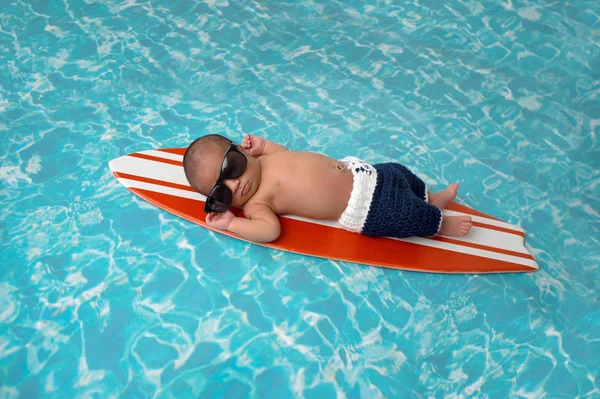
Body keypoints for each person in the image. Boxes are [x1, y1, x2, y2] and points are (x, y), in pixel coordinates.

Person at [182, 134, 472, 243]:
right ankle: (439, 223)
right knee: (404, 215)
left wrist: (264, 146)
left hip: (363, 172)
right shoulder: (256, 203)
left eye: (231, 167)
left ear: (241, 151)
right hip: (362, 206)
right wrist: (233, 223)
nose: (237, 184)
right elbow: (269, 231)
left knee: (400, 173)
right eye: (222, 193)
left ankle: (432, 198)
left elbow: (287, 154)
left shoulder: (268, 158)